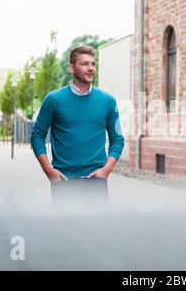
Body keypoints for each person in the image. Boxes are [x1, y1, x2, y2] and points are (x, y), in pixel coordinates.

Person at [31, 45, 124, 211]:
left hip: (96, 181)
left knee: (96, 232)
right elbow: (37, 135)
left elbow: (117, 139)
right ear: (71, 68)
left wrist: (106, 170)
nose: (90, 69)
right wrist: (49, 171)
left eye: (93, 64)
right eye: (84, 64)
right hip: (63, 180)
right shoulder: (54, 100)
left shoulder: (108, 101)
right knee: (65, 232)